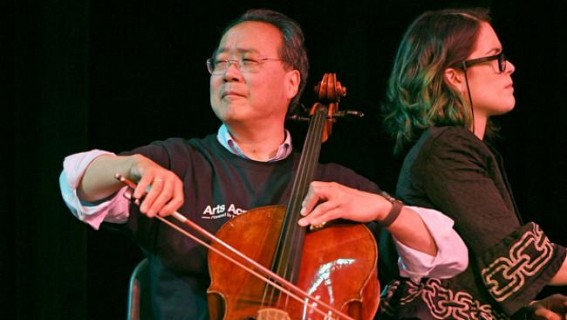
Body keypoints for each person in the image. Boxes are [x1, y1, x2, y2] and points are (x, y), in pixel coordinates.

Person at [59, 8, 467, 319]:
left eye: (248, 62)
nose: (229, 74)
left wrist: (384, 208)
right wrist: (129, 168)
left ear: (293, 83)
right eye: (220, 62)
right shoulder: (178, 161)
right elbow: (77, 182)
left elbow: (448, 257)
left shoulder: (334, 186)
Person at [379, 7, 567, 319]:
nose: (509, 67)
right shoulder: (446, 148)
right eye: (496, 58)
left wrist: (529, 309)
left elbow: (480, 268)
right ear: (453, 76)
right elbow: (513, 253)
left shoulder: (455, 147)